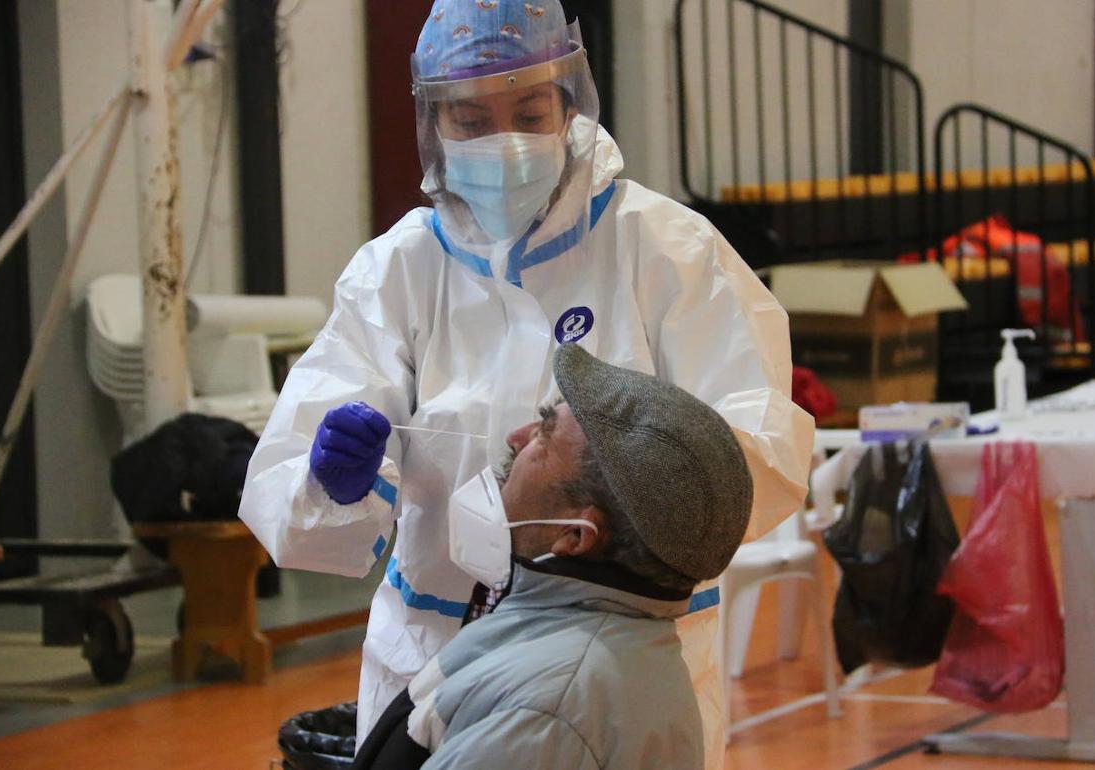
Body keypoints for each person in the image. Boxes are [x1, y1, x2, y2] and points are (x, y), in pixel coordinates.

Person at [238, 0, 815, 763]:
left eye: (528, 109)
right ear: (434, 124)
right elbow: (292, 495)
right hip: (436, 650)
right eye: (471, 120)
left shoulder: (667, 248)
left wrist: (612, 517)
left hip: (623, 649)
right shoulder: (399, 269)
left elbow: (756, 451)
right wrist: (335, 485)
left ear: (569, 103)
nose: (501, 141)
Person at [351, 345, 753, 770]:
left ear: (576, 535)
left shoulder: (548, 713)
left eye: (544, 434)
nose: (516, 437)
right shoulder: (572, 635)